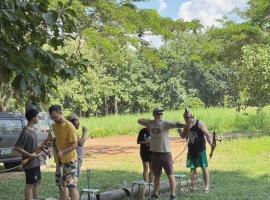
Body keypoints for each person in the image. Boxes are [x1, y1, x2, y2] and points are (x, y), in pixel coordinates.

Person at [138, 107, 185, 200]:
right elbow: (139, 120)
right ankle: (155, 193)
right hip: (155, 154)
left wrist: (187, 124)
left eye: (161, 114)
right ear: (154, 114)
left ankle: (173, 195)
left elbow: (177, 124)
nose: (159, 115)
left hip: (165, 153)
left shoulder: (166, 123)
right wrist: (150, 122)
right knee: (157, 176)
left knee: (170, 175)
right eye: (157, 114)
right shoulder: (151, 124)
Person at [48, 105, 79, 200]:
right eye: (52, 117)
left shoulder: (69, 125)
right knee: (61, 186)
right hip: (59, 161)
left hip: (70, 161)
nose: (54, 119)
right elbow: (50, 140)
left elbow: (75, 144)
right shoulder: (53, 126)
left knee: (71, 186)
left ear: (61, 113)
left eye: (56, 116)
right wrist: (49, 143)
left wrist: (63, 151)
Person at [178, 109, 213, 193]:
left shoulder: (199, 123)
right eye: (185, 118)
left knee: (204, 167)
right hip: (191, 150)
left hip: (200, 149)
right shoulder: (186, 125)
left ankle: (207, 186)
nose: (187, 120)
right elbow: (183, 136)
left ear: (192, 116)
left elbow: (207, 134)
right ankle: (193, 186)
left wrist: (212, 144)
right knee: (192, 168)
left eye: (188, 118)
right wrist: (180, 132)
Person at [15, 109, 41, 200]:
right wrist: (30, 155)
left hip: (36, 162)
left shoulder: (33, 130)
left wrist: (43, 150)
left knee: (37, 182)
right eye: (37, 116)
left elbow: (35, 147)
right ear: (33, 118)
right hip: (29, 164)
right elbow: (17, 147)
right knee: (30, 184)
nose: (39, 118)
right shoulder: (25, 132)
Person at [67, 114, 88, 178]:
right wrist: (84, 132)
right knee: (74, 178)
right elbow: (81, 143)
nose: (79, 122)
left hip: (74, 157)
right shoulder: (73, 132)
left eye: (78, 120)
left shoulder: (70, 131)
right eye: (76, 120)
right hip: (75, 157)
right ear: (71, 122)